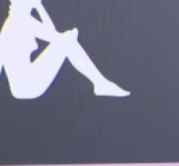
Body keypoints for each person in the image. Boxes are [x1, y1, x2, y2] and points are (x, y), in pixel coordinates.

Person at [0, 0, 129, 100]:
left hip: (24, 86)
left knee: (66, 40)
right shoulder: (20, 21)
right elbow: (55, 36)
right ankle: (100, 84)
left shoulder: (20, 20)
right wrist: (69, 36)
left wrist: (39, 7)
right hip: (27, 86)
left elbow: (52, 33)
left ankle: (100, 83)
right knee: (67, 40)